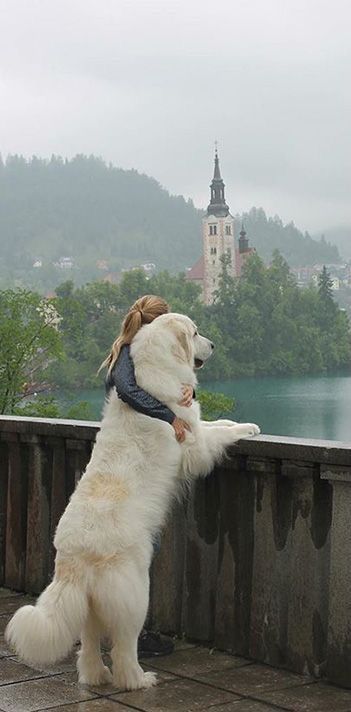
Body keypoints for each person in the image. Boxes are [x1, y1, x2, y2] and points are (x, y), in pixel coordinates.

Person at [100, 295, 193, 657]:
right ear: (158, 324)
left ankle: (124, 633)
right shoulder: (129, 352)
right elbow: (128, 388)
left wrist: (189, 391)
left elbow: (167, 384)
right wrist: (169, 417)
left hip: (132, 465)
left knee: (134, 554)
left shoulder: (134, 349)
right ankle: (130, 638)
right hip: (130, 470)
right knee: (137, 555)